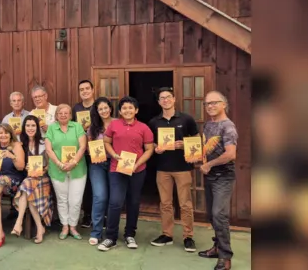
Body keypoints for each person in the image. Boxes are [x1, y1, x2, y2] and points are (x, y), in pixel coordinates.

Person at [98, 96, 154, 252]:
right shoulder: (114, 125)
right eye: (124, 108)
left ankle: (130, 234)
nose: (127, 110)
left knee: (134, 202)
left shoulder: (144, 128)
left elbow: (149, 149)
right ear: (120, 111)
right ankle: (111, 237)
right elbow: (106, 142)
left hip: (138, 170)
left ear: (136, 110)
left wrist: (138, 163)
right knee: (115, 202)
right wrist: (114, 155)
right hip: (117, 168)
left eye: (131, 108)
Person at [148, 87, 199, 252]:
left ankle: (188, 236)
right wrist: (156, 148)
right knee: (165, 204)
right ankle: (167, 234)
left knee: (185, 204)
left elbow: (197, 140)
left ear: (174, 99)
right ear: (158, 102)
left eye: (168, 97)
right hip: (162, 168)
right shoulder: (154, 122)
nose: (165, 100)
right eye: (162, 98)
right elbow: (151, 143)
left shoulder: (186, 119)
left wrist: (183, 144)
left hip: (183, 167)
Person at [196, 91, 238, 270]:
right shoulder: (208, 125)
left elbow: (230, 154)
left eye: (214, 103)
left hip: (223, 176)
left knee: (219, 215)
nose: (210, 106)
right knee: (212, 216)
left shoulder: (228, 127)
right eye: (207, 104)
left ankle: (225, 257)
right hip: (210, 176)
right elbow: (206, 147)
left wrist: (209, 164)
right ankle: (217, 247)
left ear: (224, 104)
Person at [45, 104, 87, 240]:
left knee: (75, 200)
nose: (63, 115)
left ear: (70, 115)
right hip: (58, 169)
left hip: (77, 169)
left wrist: (73, 162)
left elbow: (82, 147)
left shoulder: (77, 127)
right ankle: (65, 225)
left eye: (66, 113)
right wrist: (59, 163)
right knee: (62, 199)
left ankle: (73, 226)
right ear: (56, 115)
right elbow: (49, 149)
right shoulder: (51, 128)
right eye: (60, 113)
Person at [11, 115, 53, 243]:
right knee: (28, 188)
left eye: (33, 125)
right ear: (24, 127)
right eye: (28, 125)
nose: (30, 128)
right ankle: (40, 228)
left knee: (27, 186)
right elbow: (18, 164)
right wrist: (26, 167)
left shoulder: (44, 142)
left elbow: (49, 165)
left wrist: (41, 170)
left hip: (43, 178)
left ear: (37, 127)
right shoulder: (20, 144)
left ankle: (19, 222)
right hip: (28, 179)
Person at [87, 97, 114, 245]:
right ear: (97, 111)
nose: (104, 111)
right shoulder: (93, 127)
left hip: (115, 163)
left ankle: (110, 232)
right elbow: (88, 146)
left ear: (110, 108)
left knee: (113, 198)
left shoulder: (118, 123)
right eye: (100, 109)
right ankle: (96, 232)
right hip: (97, 164)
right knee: (100, 196)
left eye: (106, 107)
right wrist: (93, 152)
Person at [72, 80, 95, 229]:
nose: (84, 91)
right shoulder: (76, 108)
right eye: (81, 89)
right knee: (85, 184)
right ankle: (86, 214)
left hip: (96, 150)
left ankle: (101, 215)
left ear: (93, 90)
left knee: (98, 184)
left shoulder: (99, 105)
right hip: (81, 151)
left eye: (87, 88)